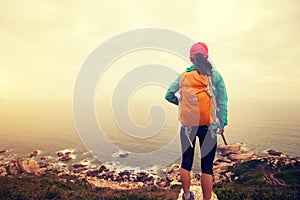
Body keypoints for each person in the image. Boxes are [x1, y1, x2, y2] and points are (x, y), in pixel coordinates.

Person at [165, 42, 228, 200]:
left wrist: (183, 104)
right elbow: (222, 102)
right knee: (207, 167)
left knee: (186, 162)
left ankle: (187, 196)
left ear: (191, 59)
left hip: (187, 127)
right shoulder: (215, 76)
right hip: (210, 127)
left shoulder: (183, 77)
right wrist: (223, 123)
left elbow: (168, 95)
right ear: (206, 56)